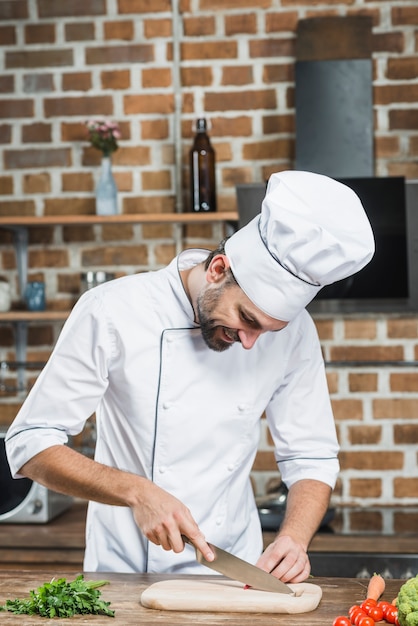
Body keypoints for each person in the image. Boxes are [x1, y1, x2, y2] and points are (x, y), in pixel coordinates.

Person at [5, 170, 374, 582]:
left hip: (237, 575)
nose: (250, 343)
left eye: (268, 331)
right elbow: (30, 443)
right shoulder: (112, 310)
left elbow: (311, 456)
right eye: (246, 319)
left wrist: (294, 537)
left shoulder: (297, 333)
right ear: (218, 269)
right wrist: (138, 492)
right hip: (124, 577)